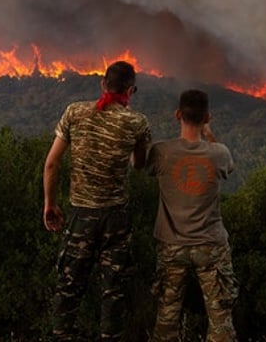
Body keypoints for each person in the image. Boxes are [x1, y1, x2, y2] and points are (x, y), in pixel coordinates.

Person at [42, 60, 151, 341]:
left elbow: (52, 164)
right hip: (116, 218)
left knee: (69, 286)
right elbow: (139, 165)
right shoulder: (137, 122)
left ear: (103, 84)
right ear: (131, 90)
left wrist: (50, 204)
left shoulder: (74, 113)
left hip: (81, 216)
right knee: (113, 291)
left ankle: (61, 335)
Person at [146, 89, 239, 342]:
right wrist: (208, 135)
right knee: (221, 320)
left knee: (166, 317)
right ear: (207, 117)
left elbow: (140, 164)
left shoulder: (161, 152)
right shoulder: (219, 153)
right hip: (211, 245)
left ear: (177, 115)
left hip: (172, 246)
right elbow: (227, 167)